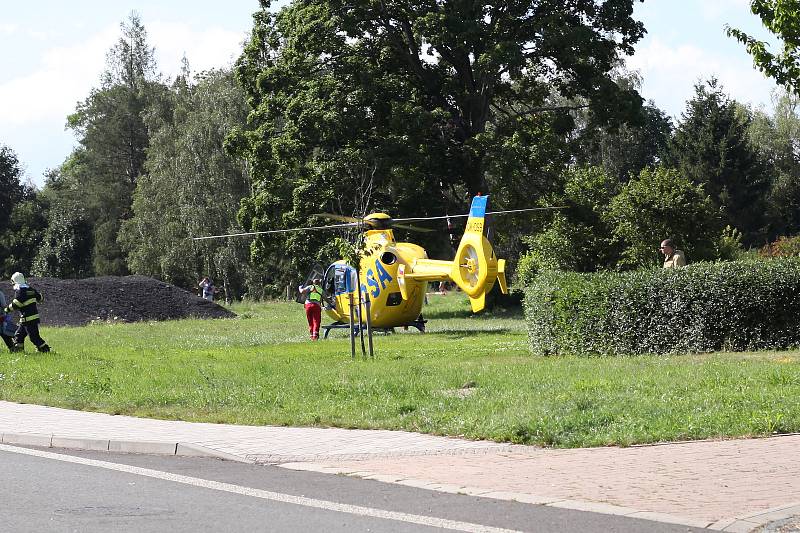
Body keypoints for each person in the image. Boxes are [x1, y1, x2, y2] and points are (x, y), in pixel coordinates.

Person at [4, 272, 50, 353]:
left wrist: (6, 310)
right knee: (19, 335)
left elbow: (16, 304)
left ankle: (45, 350)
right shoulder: (30, 289)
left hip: (28, 319)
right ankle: (19, 351)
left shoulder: (20, 291)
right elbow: (40, 298)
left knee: (34, 337)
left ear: (15, 281)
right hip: (28, 319)